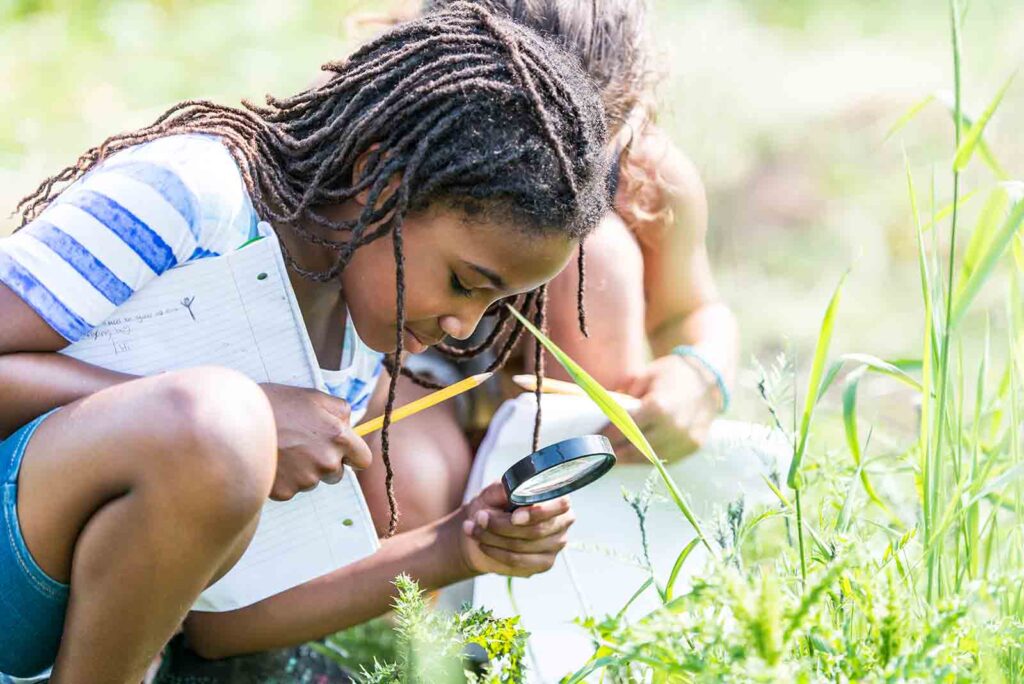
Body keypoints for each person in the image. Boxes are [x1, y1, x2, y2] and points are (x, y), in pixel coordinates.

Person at [0, 4, 613, 681]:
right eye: (465, 282)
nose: (464, 327)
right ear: (380, 177)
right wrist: (242, 423)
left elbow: (215, 623)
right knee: (220, 423)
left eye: (497, 304)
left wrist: (459, 545)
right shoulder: (195, 195)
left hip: (49, 640)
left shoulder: (349, 344)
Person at [358, 0, 739, 537]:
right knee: (411, 480)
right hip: (406, 367)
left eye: (585, 153)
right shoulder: (389, 127)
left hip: (549, 388)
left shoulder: (647, 177)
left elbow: (693, 309)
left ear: (625, 118)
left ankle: (581, 557)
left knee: (597, 258)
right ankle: (428, 601)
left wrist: (700, 375)